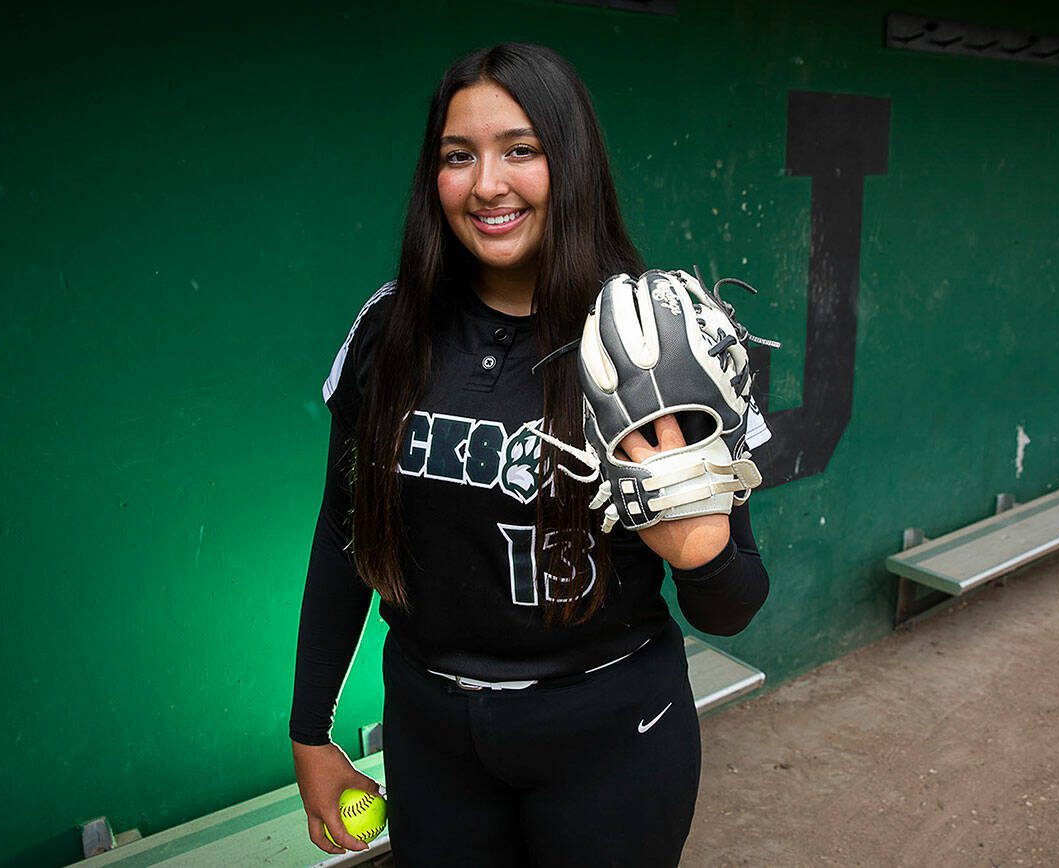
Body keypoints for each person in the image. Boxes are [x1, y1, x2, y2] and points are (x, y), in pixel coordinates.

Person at [289, 43, 771, 867]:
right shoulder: (390, 330)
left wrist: (700, 553)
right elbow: (344, 539)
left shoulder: (654, 336)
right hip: (430, 735)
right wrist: (310, 731)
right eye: (457, 156)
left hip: (611, 734)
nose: (486, 185)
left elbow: (733, 605)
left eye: (521, 149)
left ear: (571, 161)